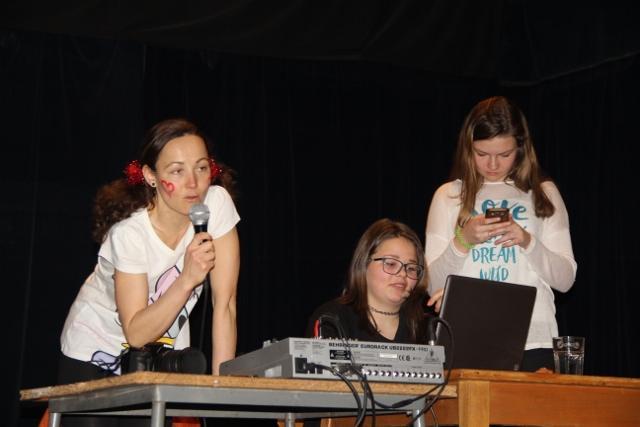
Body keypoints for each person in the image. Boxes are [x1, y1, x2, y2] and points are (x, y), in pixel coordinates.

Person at [57, 118, 240, 426]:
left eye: (201, 167)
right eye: (177, 171)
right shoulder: (130, 234)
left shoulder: (216, 204)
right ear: (150, 176)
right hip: (97, 346)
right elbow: (136, 333)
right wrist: (186, 280)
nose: (193, 183)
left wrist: (221, 388)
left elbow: (226, 304)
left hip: (162, 351)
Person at [424, 96, 577, 371]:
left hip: (533, 338)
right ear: (467, 148)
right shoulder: (448, 196)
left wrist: (528, 242)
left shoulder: (543, 193)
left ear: (521, 148)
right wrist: (463, 241)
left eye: (504, 155)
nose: (492, 165)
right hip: (466, 336)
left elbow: (565, 280)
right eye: (482, 154)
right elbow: (429, 283)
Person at [306, 218, 429, 345]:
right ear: (364, 263)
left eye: (411, 268)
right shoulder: (331, 319)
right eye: (391, 264)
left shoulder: (428, 328)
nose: (403, 274)